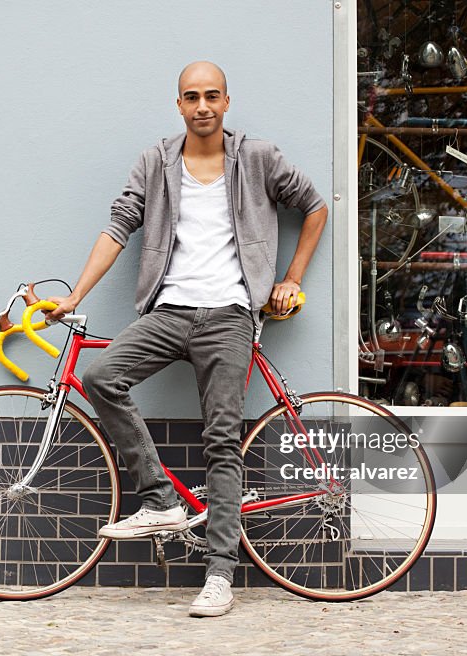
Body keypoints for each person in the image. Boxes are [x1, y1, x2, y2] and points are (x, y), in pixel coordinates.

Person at [47, 61, 328, 617]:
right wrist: (76, 295)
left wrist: (291, 278)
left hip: (230, 316)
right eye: (191, 97)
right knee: (101, 375)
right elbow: (117, 227)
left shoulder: (258, 157)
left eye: (212, 96)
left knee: (221, 441)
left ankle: (220, 574)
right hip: (170, 310)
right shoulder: (156, 161)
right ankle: (160, 499)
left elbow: (315, 207)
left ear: (227, 101)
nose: (202, 105)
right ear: (178, 104)